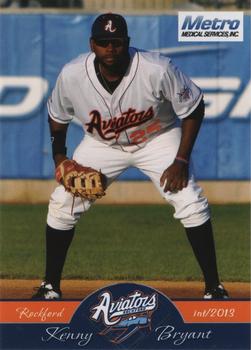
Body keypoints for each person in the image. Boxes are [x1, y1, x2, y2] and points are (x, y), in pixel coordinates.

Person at [32, 13, 229, 300]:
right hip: (102, 145)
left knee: (189, 200)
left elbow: (194, 109)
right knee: (62, 202)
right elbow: (57, 117)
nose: (110, 47)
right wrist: (59, 157)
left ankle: (214, 287)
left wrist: (181, 161)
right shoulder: (72, 75)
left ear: (127, 42)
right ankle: (50, 286)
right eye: (103, 41)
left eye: (116, 41)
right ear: (92, 44)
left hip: (157, 138)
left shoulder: (156, 68)